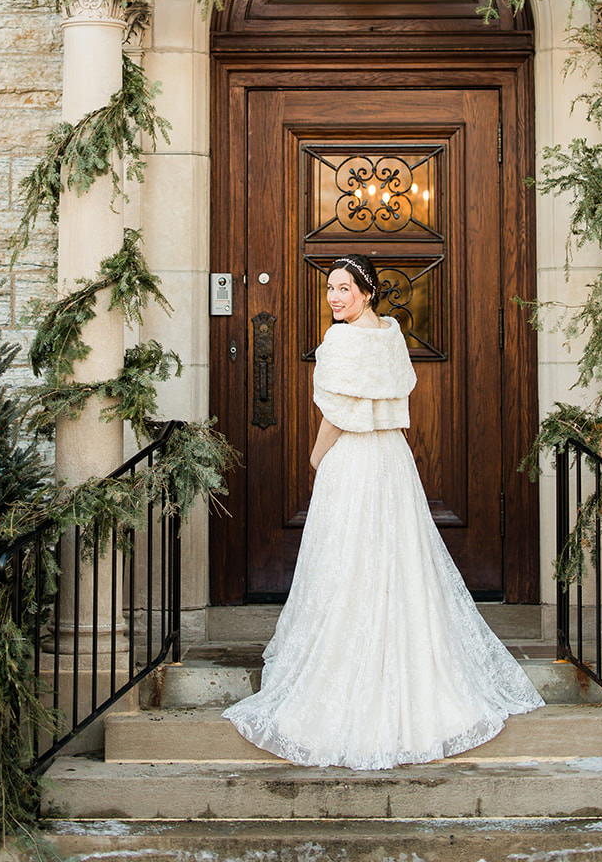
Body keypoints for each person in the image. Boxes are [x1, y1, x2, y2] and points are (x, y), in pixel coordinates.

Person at [223, 254, 543, 769]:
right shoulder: (392, 335)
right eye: (330, 288)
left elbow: (335, 413)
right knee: (394, 558)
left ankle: (346, 678)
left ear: (367, 292)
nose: (334, 297)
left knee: (348, 560)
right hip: (391, 458)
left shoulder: (339, 341)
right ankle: (407, 671)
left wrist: (314, 455)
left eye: (345, 288)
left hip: (352, 457)